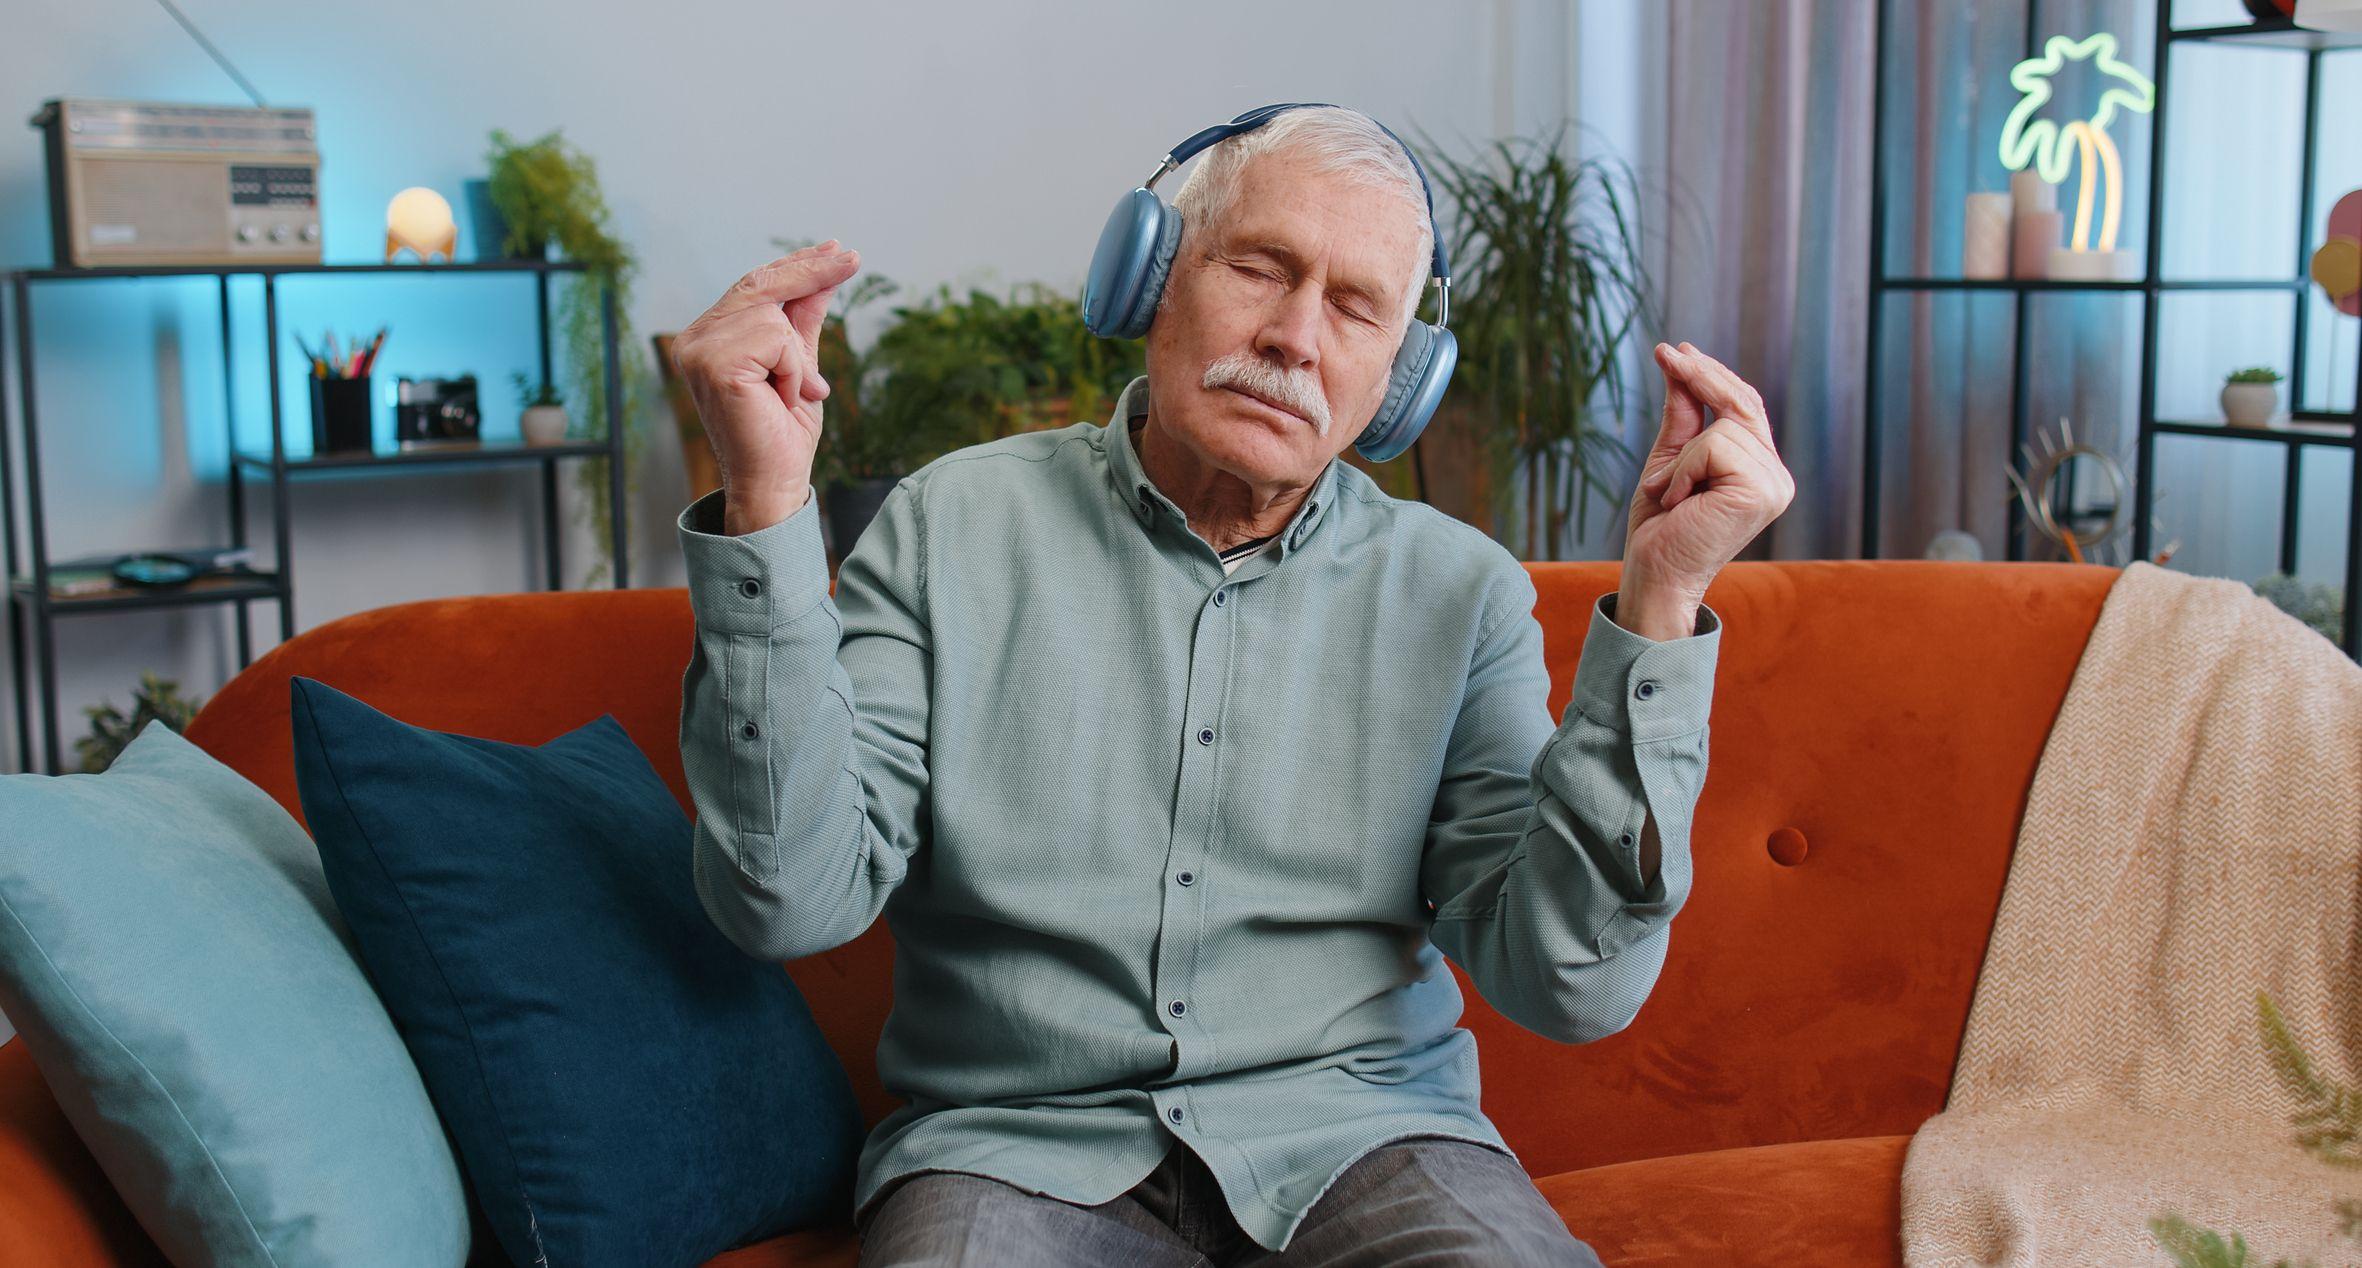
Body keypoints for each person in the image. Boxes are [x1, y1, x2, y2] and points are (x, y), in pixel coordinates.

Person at [667, 105, 1795, 1267]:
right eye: (1259, 267)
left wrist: (1662, 601)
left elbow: (1574, 982)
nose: (1296, 336)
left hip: (1370, 1143)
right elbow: (787, 898)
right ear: (1147, 276)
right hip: (1010, 1147)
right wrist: (764, 505)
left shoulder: (1462, 594)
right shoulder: (949, 526)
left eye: (1356, 308)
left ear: (1398, 381)